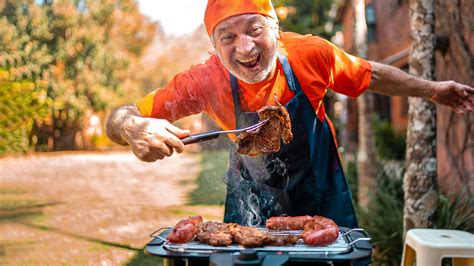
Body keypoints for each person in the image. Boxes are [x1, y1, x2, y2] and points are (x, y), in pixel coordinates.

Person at [106, 0, 473, 229]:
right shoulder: (203, 81)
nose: (245, 47)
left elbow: (371, 74)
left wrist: (433, 89)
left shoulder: (311, 55)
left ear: (276, 30)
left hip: (321, 194)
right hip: (251, 202)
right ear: (214, 48)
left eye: (254, 29)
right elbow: (119, 116)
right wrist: (131, 125)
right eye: (228, 37)